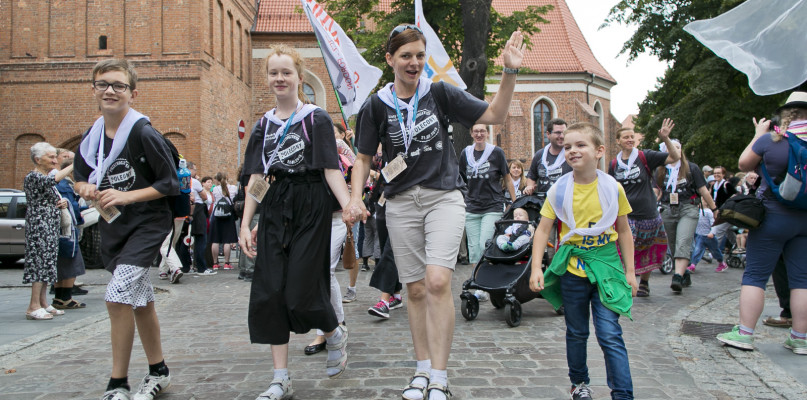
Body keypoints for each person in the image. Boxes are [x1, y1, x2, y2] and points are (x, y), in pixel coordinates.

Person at [346, 24, 525, 400]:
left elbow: (494, 115)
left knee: (438, 281)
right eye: (406, 55)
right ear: (390, 59)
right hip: (399, 203)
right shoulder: (376, 105)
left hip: (444, 196)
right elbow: (362, 158)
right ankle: (421, 370)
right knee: (413, 289)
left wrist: (509, 71)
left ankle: (440, 377)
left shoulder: (439, 92)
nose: (414, 63)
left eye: (419, 56)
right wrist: (354, 197)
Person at [239, 44, 352, 399]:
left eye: (286, 72)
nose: (279, 78)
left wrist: (349, 205)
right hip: (275, 206)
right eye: (273, 72)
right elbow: (256, 178)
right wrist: (245, 223)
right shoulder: (262, 126)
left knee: (302, 288)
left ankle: (334, 332)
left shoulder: (315, 118)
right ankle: (280, 378)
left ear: (299, 77)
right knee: (271, 291)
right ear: (268, 78)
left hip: (311, 204)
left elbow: (331, 169)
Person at [73, 59, 178, 400]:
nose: (110, 91)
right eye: (103, 84)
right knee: (140, 301)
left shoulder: (143, 132)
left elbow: (169, 183)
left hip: (148, 224)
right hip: (116, 226)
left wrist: (126, 195)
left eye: (118, 85)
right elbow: (78, 177)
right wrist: (84, 188)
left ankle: (117, 383)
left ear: (132, 94)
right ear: (93, 90)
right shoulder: (92, 136)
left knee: (117, 296)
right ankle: (158, 371)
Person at [528, 122, 637, 400]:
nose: (572, 151)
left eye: (580, 145)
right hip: (574, 271)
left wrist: (631, 272)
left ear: (599, 151)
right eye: (567, 147)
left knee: (610, 333)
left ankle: (623, 393)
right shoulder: (559, 191)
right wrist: (537, 267)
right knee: (576, 332)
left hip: (607, 268)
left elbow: (623, 231)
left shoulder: (613, 188)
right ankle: (579, 384)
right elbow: (543, 229)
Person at [717, 92, 807, 355]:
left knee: (755, 275)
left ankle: (745, 334)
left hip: (773, 217)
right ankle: (801, 338)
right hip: (805, 221)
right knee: (802, 280)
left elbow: (744, 163)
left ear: (786, 115)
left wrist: (758, 133)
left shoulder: (772, 141)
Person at [608, 121, 679, 297]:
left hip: (648, 212)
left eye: (632, 137)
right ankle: (627, 280)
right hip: (626, 214)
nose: (630, 140)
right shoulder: (614, 164)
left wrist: (666, 138)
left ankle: (644, 283)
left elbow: (674, 157)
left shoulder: (644, 156)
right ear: (618, 141)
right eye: (626, 137)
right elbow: (610, 187)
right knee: (624, 247)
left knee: (646, 248)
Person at [655, 139, 717, 293]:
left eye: (677, 148)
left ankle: (676, 277)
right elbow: (656, 192)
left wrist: (715, 209)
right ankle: (685, 272)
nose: (675, 151)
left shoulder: (691, 168)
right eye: (671, 148)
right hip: (668, 208)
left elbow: (703, 190)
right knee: (674, 244)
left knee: (683, 241)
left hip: (688, 208)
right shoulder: (661, 170)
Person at [23, 142, 71, 320]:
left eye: (54, 156)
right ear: (37, 159)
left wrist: (61, 203)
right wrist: (74, 163)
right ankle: (33, 306)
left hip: (48, 225)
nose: (54, 160)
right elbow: (54, 180)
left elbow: (50, 194)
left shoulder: (43, 176)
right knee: (39, 264)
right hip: (39, 226)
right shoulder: (34, 176)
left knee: (48, 263)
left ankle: (43, 302)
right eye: (50, 157)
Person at [459, 123, 516, 265]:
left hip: (492, 206)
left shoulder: (496, 152)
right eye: (476, 131)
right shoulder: (465, 153)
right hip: (472, 207)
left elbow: (507, 179)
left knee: (484, 244)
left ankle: (486, 282)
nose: (479, 134)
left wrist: (515, 202)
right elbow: (461, 179)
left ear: (487, 133)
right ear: (471, 133)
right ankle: (477, 283)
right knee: (473, 251)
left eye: (482, 131)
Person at [53, 157, 88, 309]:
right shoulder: (65, 185)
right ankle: (65, 298)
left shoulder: (61, 184)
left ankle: (59, 298)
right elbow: (71, 207)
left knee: (62, 264)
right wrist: (83, 212)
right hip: (67, 231)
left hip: (61, 231)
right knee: (70, 263)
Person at [524, 118, 573, 198]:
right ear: (548, 134)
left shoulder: (571, 154)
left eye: (564, 133)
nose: (561, 136)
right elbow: (531, 176)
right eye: (557, 133)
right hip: (543, 201)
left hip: (565, 200)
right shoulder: (540, 155)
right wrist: (530, 186)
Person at [687, 197, 725, 272]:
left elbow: (714, 224)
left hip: (709, 237)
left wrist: (712, 233)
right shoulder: (698, 211)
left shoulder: (708, 212)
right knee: (697, 250)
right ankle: (693, 265)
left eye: (703, 200)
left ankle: (721, 262)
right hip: (700, 236)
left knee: (715, 251)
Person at [188, 165, 213, 275]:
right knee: (201, 238)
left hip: (185, 209)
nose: (196, 171)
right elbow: (204, 197)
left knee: (184, 240)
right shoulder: (194, 181)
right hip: (197, 209)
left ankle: (184, 266)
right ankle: (201, 267)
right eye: (194, 169)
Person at [209, 172, 238, 270]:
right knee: (227, 240)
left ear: (217, 179)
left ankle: (215, 263)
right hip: (228, 216)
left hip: (217, 215)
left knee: (215, 240)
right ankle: (226, 263)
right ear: (227, 177)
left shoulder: (215, 189)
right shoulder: (233, 188)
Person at [709, 166, 736, 263]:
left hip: (726, 213)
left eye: (719, 173)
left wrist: (727, 204)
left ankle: (712, 253)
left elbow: (735, 195)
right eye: (715, 173)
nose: (716, 175)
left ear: (723, 174)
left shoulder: (726, 184)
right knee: (729, 232)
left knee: (717, 231)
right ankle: (736, 244)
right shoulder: (713, 185)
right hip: (716, 212)